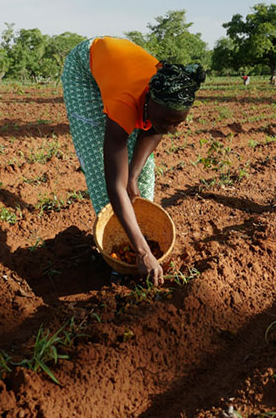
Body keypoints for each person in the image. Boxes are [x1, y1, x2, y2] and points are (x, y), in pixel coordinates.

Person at [61, 36, 205, 286]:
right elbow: (115, 184)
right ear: (147, 101)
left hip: (125, 75)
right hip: (85, 69)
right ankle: (121, 254)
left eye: (177, 123)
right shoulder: (125, 103)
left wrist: (134, 176)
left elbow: (154, 128)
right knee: (100, 166)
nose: (170, 130)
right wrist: (142, 251)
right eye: (165, 121)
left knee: (143, 171)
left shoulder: (167, 94)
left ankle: (140, 234)